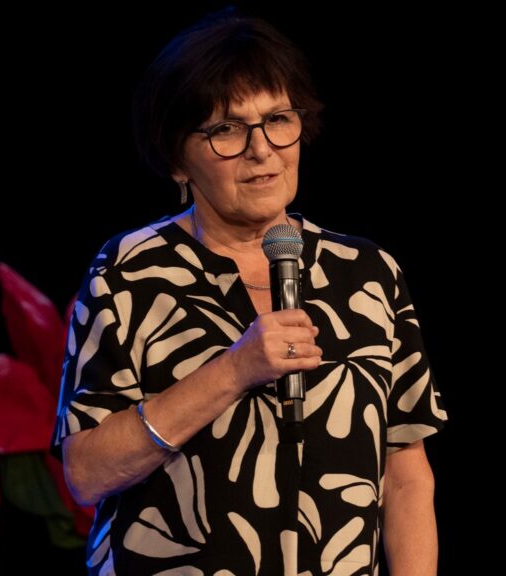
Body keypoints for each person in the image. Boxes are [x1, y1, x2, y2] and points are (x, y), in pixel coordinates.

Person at [53, 9, 447, 575]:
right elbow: (87, 473)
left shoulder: (366, 273)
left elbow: (406, 474)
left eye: (278, 119)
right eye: (227, 130)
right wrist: (235, 370)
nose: (262, 149)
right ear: (176, 158)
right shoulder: (128, 273)